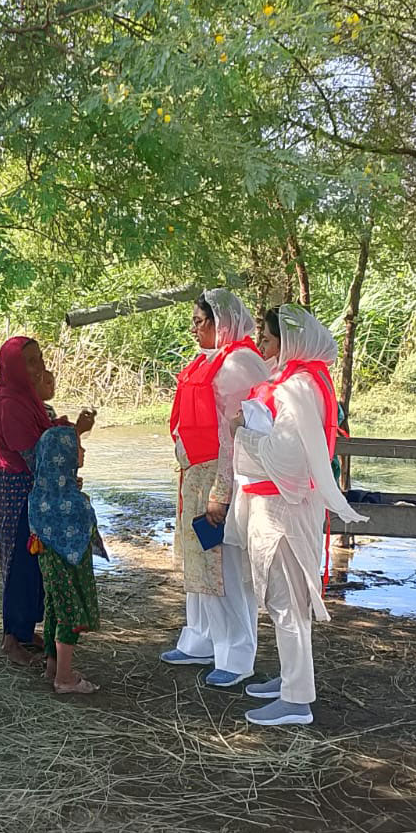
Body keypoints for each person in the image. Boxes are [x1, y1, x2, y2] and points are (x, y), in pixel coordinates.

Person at [228, 305, 368, 726]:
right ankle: (293, 678)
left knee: (287, 599)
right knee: (283, 598)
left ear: (287, 342)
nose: (260, 346)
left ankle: (296, 700)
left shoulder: (298, 387)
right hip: (277, 504)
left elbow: (289, 459)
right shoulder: (295, 381)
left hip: (284, 508)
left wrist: (243, 432)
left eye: (267, 340)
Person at [160, 289, 269, 690]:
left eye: (200, 321)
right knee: (198, 565)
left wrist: (220, 493)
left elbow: (234, 435)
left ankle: (236, 654)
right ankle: (200, 639)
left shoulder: (241, 364)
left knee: (224, 568)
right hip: (194, 474)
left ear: (221, 323)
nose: (193, 329)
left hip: (223, 477)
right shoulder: (208, 361)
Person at [0, 336, 95, 667]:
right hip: (20, 489)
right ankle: (12, 638)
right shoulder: (9, 405)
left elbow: (48, 448)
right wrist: (75, 432)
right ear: (14, 368)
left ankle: (23, 631)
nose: (39, 368)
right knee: (20, 562)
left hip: (36, 488)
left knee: (36, 565)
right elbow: (37, 457)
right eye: (30, 362)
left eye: (40, 358)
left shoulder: (29, 402)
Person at [28, 425, 105, 694]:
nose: (82, 451)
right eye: (77, 447)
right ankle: (65, 678)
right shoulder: (72, 501)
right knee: (70, 612)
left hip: (51, 566)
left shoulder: (41, 495)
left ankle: (53, 666)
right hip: (70, 567)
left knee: (54, 608)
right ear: (63, 456)